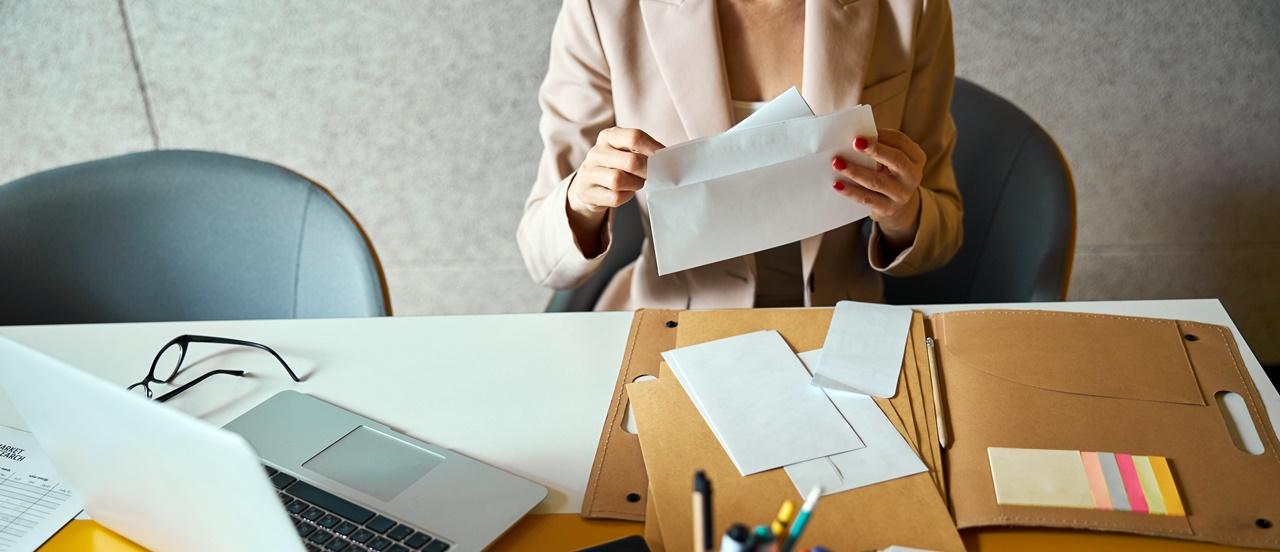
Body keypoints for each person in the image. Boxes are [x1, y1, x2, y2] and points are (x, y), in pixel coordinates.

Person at [517, 0, 963, 310]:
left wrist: (903, 215)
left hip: (840, 321)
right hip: (674, 324)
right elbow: (543, 257)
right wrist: (583, 199)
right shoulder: (605, 11)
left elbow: (943, 235)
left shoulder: (912, 8)